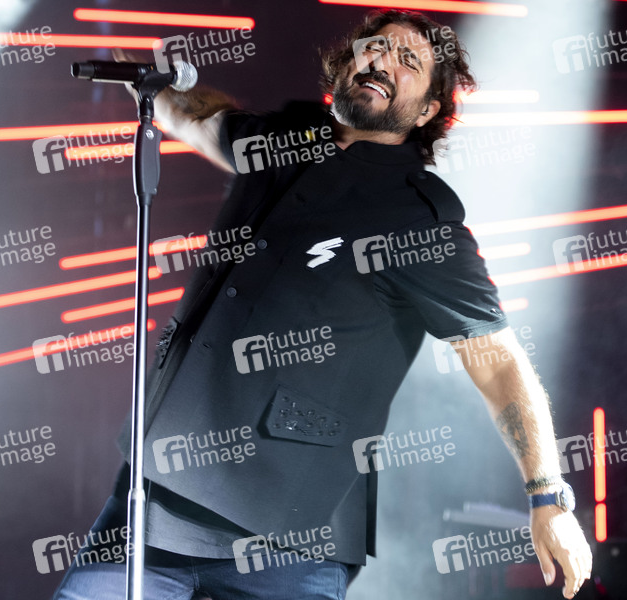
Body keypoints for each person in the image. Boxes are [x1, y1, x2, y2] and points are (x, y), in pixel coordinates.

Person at [52, 9, 592, 600]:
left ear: (427, 111)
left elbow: (498, 359)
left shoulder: (418, 217)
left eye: (408, 62)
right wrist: (156, 86)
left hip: (294, 540)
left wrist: (548, 496)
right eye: (374, 47)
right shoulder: (286, 138)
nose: (382, 62)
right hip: (158, 501)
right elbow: (204, 118)